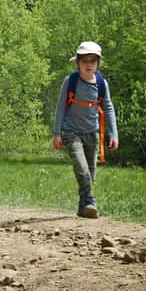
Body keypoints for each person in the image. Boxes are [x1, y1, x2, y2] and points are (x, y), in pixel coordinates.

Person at [52, 41, 118, 219]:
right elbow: (60, 107)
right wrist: (57, 133)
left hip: (92, 133)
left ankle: (83, 207)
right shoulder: (70, 81)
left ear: (98, 63)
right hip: (71, 132)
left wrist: (113, 134)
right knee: (82, 169)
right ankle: (90, 200)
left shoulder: (102, 84)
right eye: (84, 61)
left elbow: (108, 108)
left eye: (93, 61)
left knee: (90, 172)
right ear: (78, 63)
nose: (89, 65)